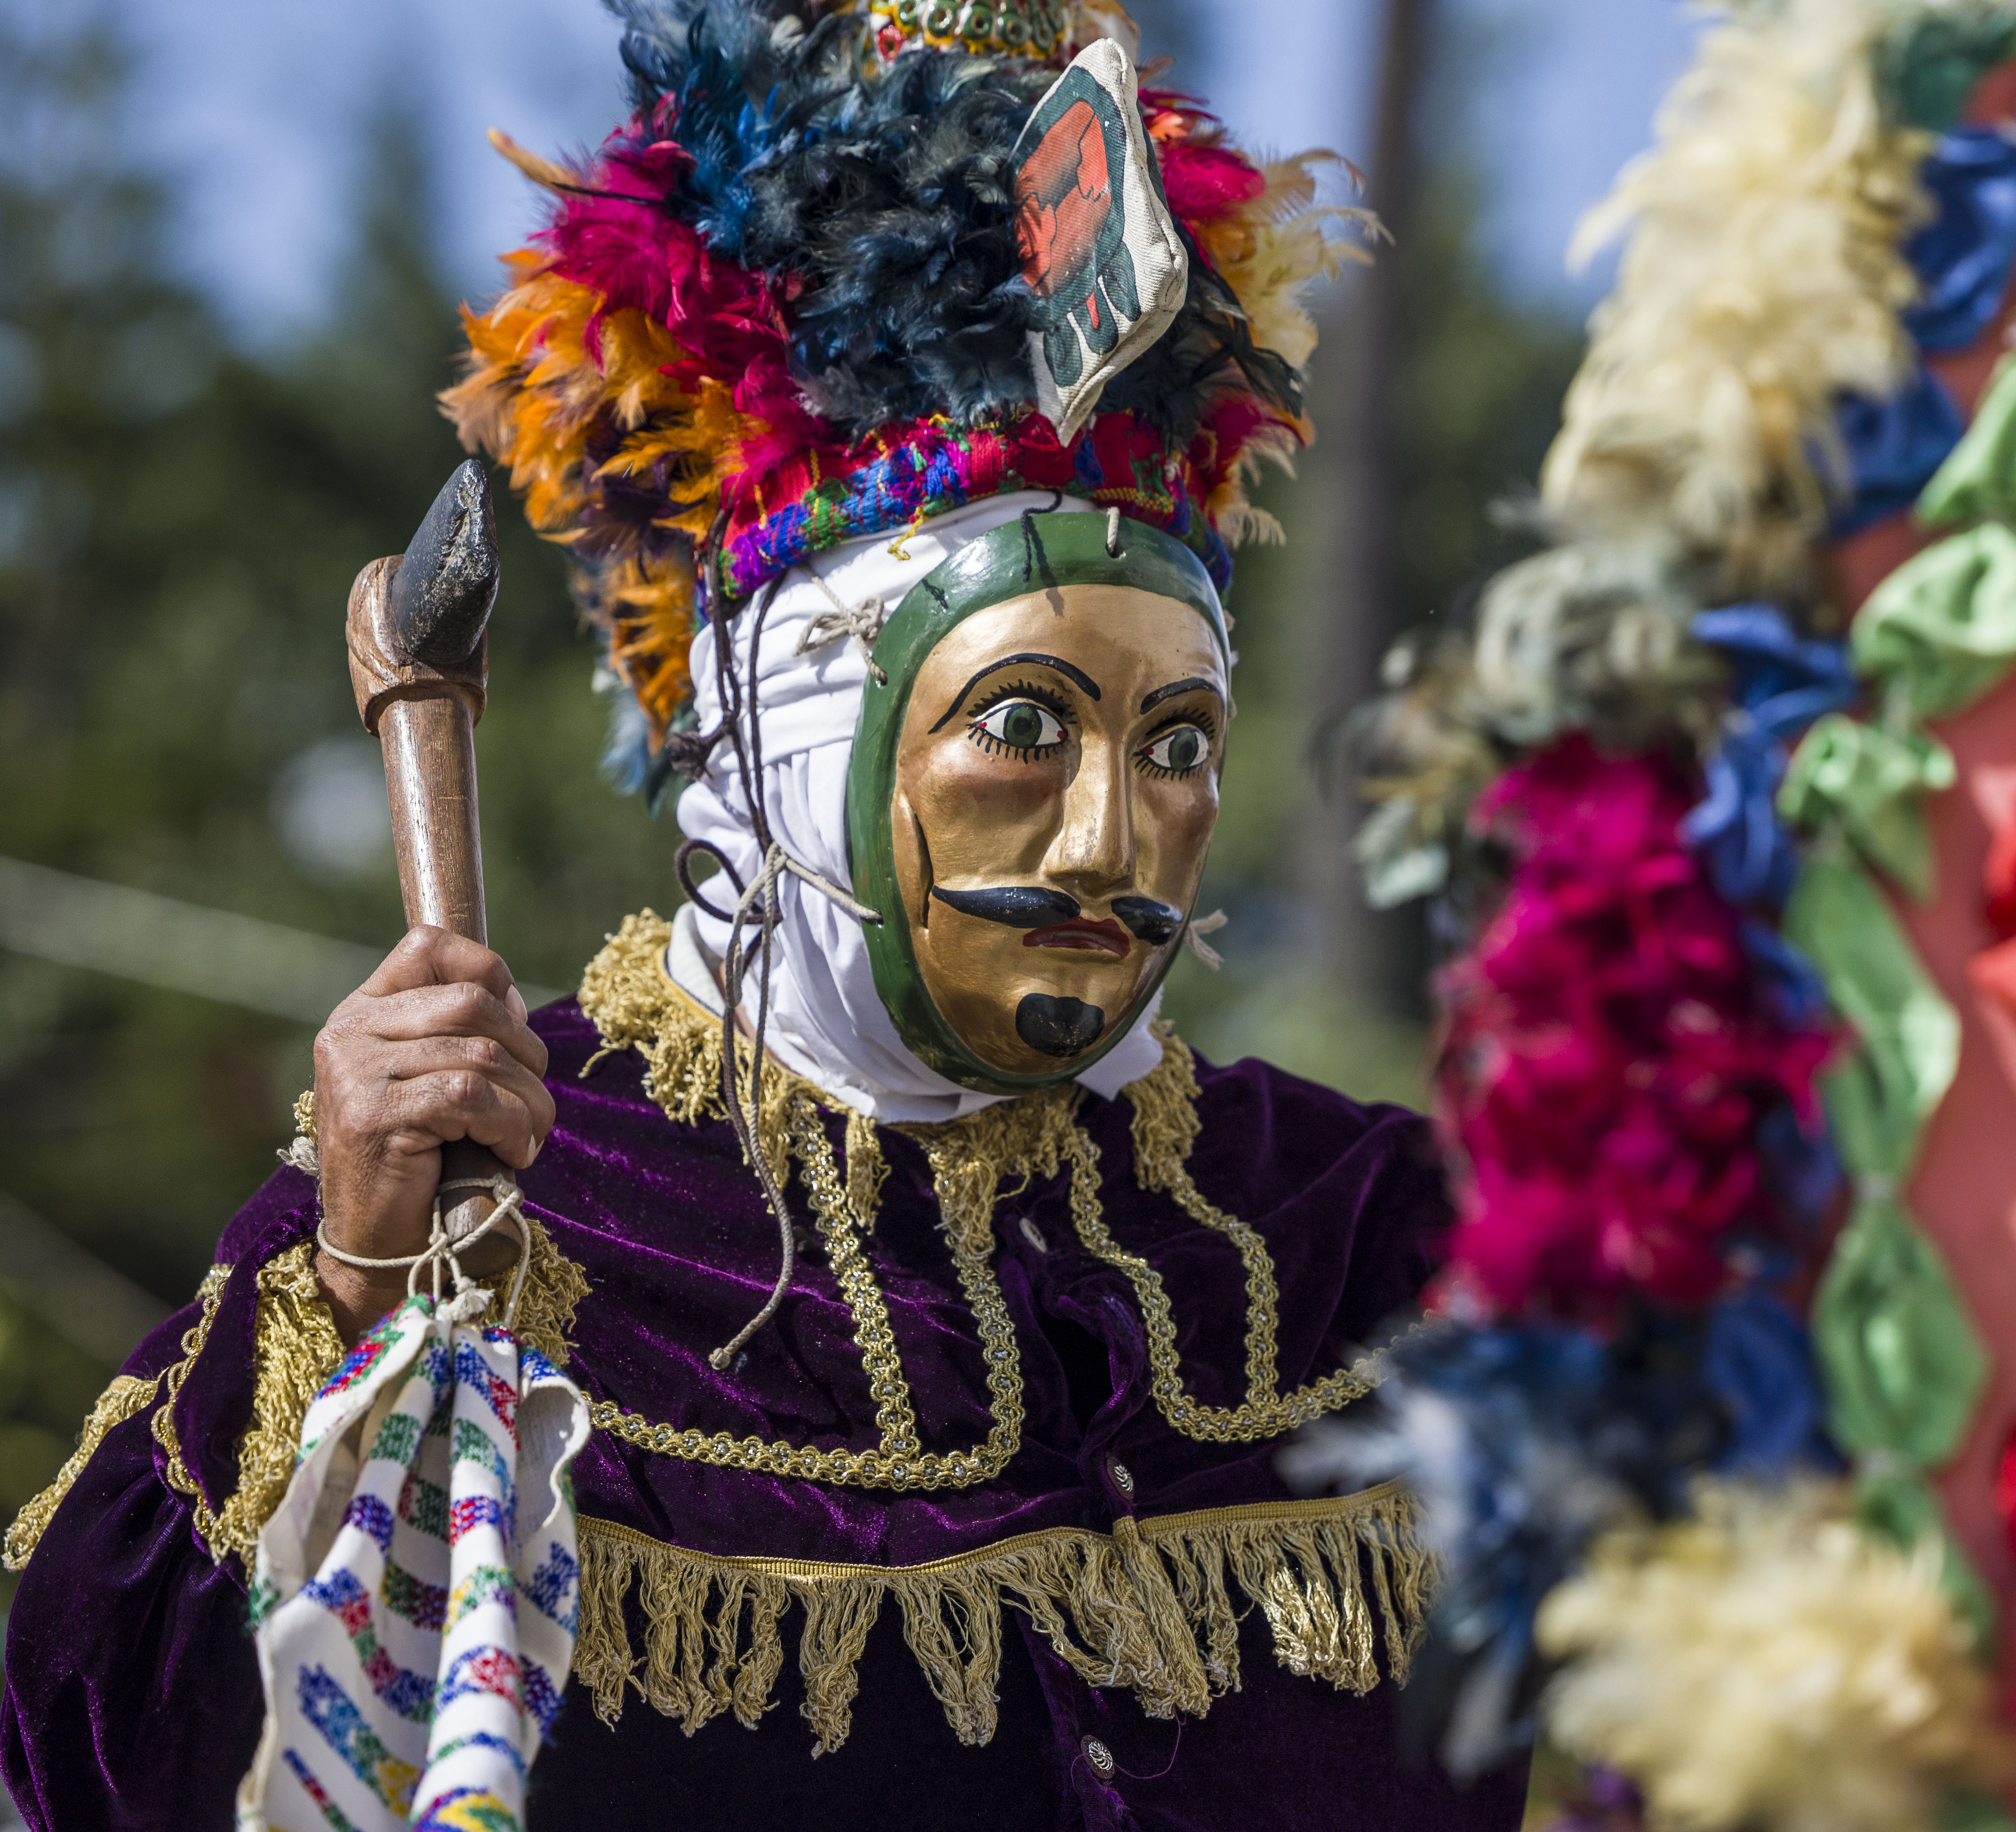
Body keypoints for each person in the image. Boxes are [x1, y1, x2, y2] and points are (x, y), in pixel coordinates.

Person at [0, 4, 1525, 1828]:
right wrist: (349, 1290)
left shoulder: (1359, 1229)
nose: (1118, 835)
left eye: (1180, 739)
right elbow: (92, 1751)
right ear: (781, 742)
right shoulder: (499, 1192)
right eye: (1024, 727)